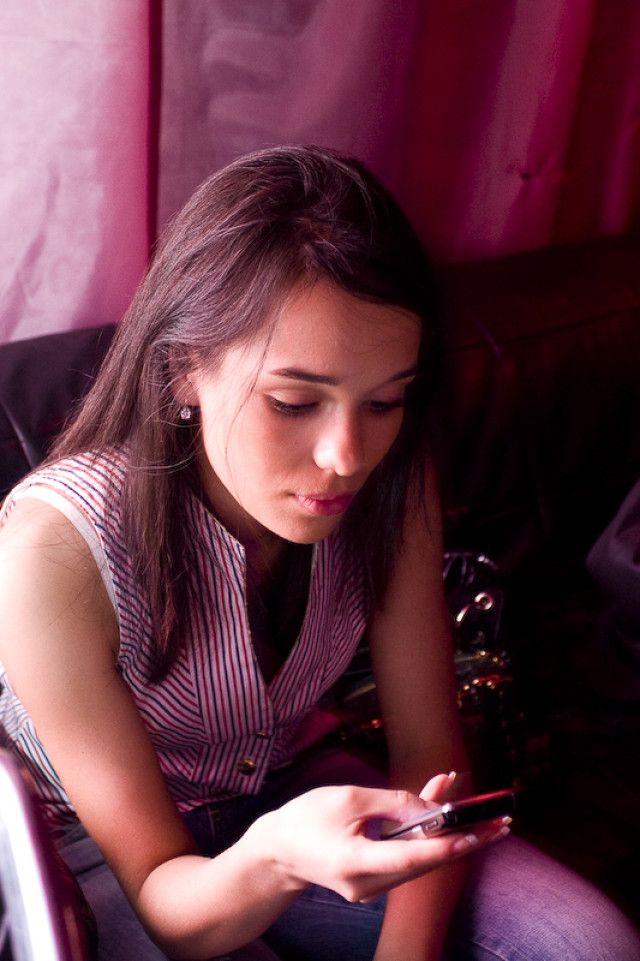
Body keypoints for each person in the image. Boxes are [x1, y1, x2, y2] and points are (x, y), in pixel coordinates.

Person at [0, 145, 638, 961]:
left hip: (291, 780)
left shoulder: (394, 484)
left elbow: (428, 758)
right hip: (98, 849)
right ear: (183, 368)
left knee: (592, 944)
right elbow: (169, 902)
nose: (346, 456)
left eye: (385, 401)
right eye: (295, 402)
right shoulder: (53, 553)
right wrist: (276, 856)